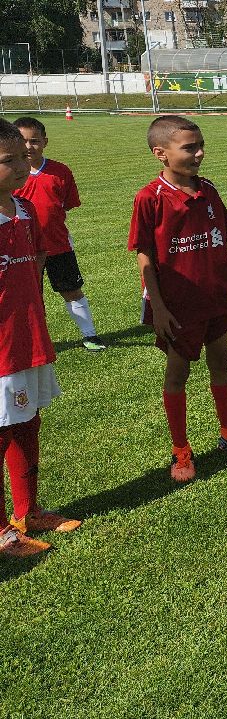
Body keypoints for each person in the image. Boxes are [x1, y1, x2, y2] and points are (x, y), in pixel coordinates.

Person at [129, 115, 227, 483]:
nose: (199, 153)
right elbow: (144, 255)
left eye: (200, 145)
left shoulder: (208, 189)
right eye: (189, 147)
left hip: (216, 293)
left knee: (221, 358)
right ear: (160, 153)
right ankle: (181, 451)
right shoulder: (150, 198)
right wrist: (158, 306)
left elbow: (220, 240)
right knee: (178, 372)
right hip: (179, 303)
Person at [0, 118, 81, 557]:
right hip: (1, 348)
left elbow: (36, 265)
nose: (19, 165)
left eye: (20, 157)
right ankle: (2, 531)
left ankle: (27, 512)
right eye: (7, 160)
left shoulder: (24, 209)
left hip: (29, 339)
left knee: (27, 424)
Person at [11, 117, 105, 351]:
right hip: (21, 248)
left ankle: (90, 335)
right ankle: (33, 341)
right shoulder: (9, 174)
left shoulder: (60, 172)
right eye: (23, 141)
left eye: (35, 141)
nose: (29, 146)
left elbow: (66, 204)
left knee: (71, 290)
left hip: (57, 245)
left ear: (45, 142)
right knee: (28, 297)